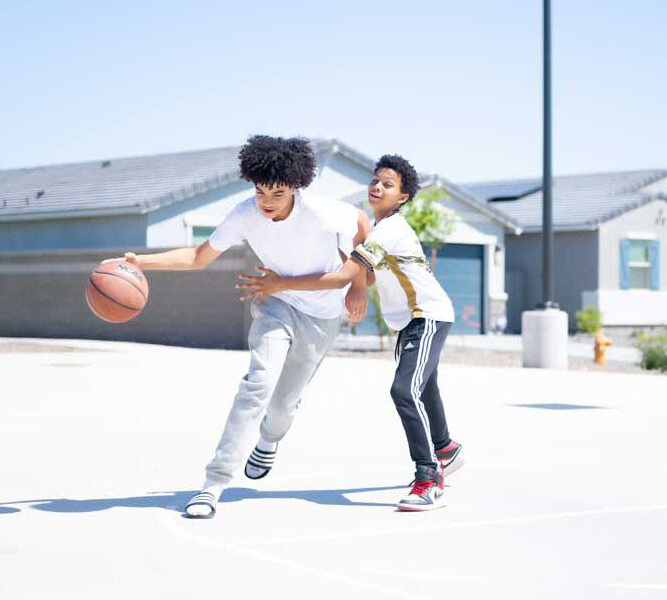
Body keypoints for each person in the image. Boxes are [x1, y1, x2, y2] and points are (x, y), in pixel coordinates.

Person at [117, 136, 369, 519]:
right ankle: (213, 484)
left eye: (278, 193)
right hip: (276, 305)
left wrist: (359, 285)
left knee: (283, 407)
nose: (266, 200)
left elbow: (362, 227)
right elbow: (198, 257)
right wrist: (141, 263)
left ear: (296, 187)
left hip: (321, 315)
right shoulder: (244, 214)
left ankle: (269, 440)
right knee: (258, 384)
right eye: (260, 190)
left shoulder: (324, 213)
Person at [238, 154, 463, 512]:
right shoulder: (377, 231)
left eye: (388, 185)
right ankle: (446, 449)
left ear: (403, 197)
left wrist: (280, 282)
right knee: (425, 389)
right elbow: (365, 276)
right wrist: (354, 283)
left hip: (428, 316)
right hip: (410, 320)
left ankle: (428, 477)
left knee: (405, 391)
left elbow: (346, 275)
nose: (377, 187)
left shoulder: (391, 229)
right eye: (375, 180)